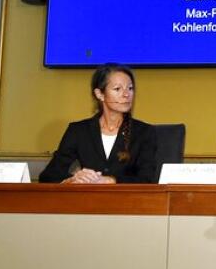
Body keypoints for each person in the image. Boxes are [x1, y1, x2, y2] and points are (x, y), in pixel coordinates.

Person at [39, 64, 170, 183]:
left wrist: (111, 180)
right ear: (99, 94)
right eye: (117, 89)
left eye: (130, 88)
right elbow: (48, 176)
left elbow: (147, 179)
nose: (126, 94)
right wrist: (71, 180)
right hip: (86, 203)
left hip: (128, 204)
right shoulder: (78, 131)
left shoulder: (144, 132)